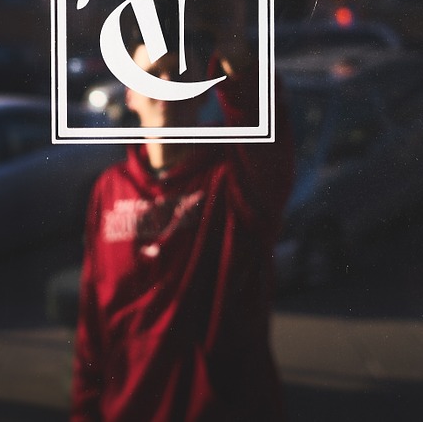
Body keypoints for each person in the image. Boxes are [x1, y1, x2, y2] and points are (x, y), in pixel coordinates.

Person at [70, 36, 295, 422]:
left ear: (200, 92)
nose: (165, 84)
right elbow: (94, 321)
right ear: (129, 95)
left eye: (179, 74)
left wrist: (240, 65)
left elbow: (268, 142)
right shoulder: (109, 189)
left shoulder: (232, 178)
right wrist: (84, 410)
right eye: (152, 74)